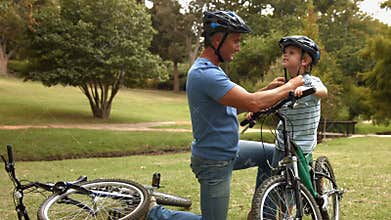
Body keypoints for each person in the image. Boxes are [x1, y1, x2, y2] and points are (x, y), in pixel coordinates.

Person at [146, 11, 304, 220]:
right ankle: (153, 213)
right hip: (214, 159)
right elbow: (252, 102)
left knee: (270, 154)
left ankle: (261, 214)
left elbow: (235, 105)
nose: (239, 47)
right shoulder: (206, 73)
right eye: (236, 41)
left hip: (230, 149)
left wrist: (267, 89)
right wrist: (290, 86)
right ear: (218, 40)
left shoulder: (214, 70)